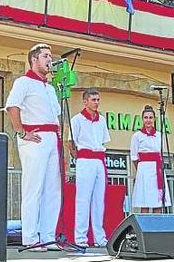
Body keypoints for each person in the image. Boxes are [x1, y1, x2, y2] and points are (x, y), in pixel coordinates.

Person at [5, 43, 61, 252]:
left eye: (50, 56)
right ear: (34, 59)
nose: (50, 60)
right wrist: (21, 132)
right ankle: (30, 237)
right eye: (46, 56)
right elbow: (12, 107)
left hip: (51, 138)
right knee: (33, 188)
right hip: (34, 138)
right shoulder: (23, 82)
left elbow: (56, 117)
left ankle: (48, 236)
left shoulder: (50, 88)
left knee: (52, 190)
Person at [69, 88, 110, 248]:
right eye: (93, 100)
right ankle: (80, 237)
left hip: (99, 159)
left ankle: (100, 238)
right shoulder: (77, 119)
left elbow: (104, 141)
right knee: (83, 199)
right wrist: (77, 157)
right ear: (85, 102)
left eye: (98, 99)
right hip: (85, 159)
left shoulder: (102, 120)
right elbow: (70, 142)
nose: (96, 102)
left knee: (99, 200)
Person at [130, 105, 171, 213]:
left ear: (154, 119)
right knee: (145, 201)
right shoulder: (137, 136)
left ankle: (157, 227)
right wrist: (140, 170)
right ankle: (144, 228)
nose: (148, 120)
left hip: (157, 169)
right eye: (146, 117)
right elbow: (134, 157)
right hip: (144, 169)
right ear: (142, 119)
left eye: (151, 117)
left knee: (158, 202)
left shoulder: (159, 135)